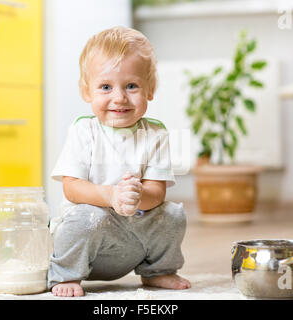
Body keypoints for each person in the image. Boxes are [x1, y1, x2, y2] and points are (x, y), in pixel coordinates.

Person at [48, 26, 191, 297]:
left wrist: (137, 199)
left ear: (150, 89)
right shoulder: (83, 131)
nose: (119, 98)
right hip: (90, 238)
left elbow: (156, 192)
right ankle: (65, 273)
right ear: (86, 91)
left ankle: (157, 271)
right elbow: (72, 188)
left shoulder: (156, 134)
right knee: (83, 216)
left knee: (173, 215)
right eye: (105, 87)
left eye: (131, 86)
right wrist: (111, 195)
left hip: (134, 238)